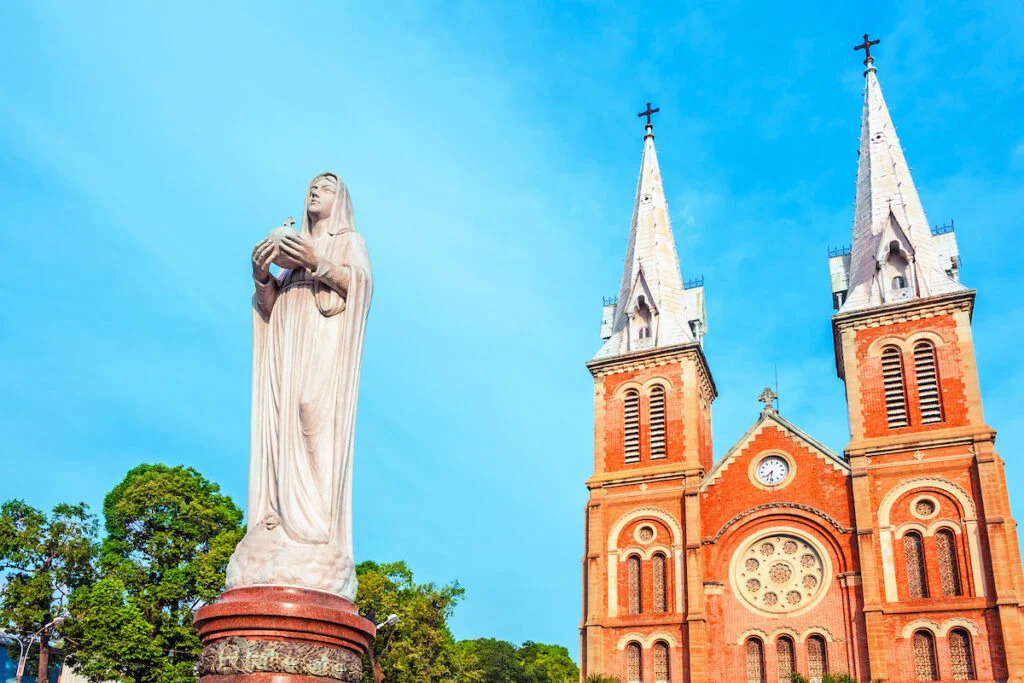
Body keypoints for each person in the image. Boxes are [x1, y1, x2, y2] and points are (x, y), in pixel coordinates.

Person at [225, 172, 372, 600]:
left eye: (325, 187)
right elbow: (268, 308)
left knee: (313, 419)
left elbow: (359, 285)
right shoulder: (290, 250)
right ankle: (276, 519)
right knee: (281, 428)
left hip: (323, 348)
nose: (315, 191)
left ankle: (313, 528)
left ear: (339, 200)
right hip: (286, 350)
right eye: (311, 186)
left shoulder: (348, 241)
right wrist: (262, 276)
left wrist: (314, 261)